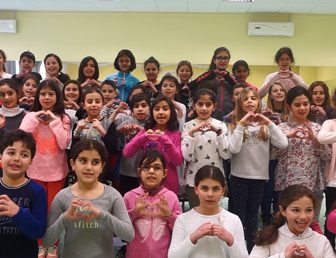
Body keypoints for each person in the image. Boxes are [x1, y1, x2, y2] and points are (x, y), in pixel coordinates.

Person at [42, 139, 134, 258]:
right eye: (83, 161)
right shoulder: (62, 196)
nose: (89, 167)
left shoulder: (113, 195)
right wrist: (64, 218)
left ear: (102, 167)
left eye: (95, 162)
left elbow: (129, 235)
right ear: (73, 164)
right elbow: (47, 241)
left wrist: (101, 215)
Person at [228, 87, 288, 252]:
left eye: (253, 98)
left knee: (253, 217)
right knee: (239, 216)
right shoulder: (234, 124)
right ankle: (238, 249)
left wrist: (269, 123)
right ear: (240, 103)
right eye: (245, 99)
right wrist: (241, 124)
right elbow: (232, 149)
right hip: (239, 177)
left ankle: (251, 250)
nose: (249, 101)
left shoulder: (265, 126)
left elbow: (283, 143)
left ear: (258, 103)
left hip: (259, 177)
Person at [273, 86, 331, 234]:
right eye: (297, 104)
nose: (302, 108)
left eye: (305, 103)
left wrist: (316, 140)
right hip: (288, 183)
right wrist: (288, 136)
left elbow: (327, 156)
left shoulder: (318, 128)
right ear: (289, 106)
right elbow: (272, 155)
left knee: (311, 223)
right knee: (286, 224)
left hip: (312, 184)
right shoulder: (281, 128)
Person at [168, 165, 248, 258]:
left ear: (223, 191)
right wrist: (193, 237)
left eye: (215, 189)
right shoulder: (182, 220)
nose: (210, 194)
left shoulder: (234, 220)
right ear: (196, 189)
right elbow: (172, 256)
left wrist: (230, 240)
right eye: (204, 188)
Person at [19, 79, 71, 210]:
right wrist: (35, 119)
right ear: (38, 96)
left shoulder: (63, 118)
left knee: (53, 208)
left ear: (57, 97)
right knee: (37, 207)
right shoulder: (30, 116)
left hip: (57, 172)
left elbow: (64, 144)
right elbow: (21, 139)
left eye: (51, 94)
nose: (46, 98)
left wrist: (54, 121)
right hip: (34, 170)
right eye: (43, 94)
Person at [249, 184, 335, 258]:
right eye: (296, 210)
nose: (303, 216)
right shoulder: (268, 237)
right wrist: (283, 256)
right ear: (283, 210)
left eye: (308, 210)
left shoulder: (322, 241)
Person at [123, 150, 182, 258]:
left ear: (165, 173)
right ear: (139, 172)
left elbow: (181, 230)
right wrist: (134, 212)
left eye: (157, 168)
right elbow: (120, 230)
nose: (151, 171)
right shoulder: (129, 196)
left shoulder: (171, 197)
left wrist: (168, 214)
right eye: (146, 167)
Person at [0, 129, 47, 258]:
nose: (16, 159)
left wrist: (18, 213)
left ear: (31, 161)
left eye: (24, 155)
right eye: (11, 152)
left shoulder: (38, 191)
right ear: (1, 155)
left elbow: (38, 232)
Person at [123, 94, 183, 195]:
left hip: (169, 187)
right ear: (152, 112)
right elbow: (127, 152)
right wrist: (143, 138)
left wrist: (164, 139)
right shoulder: (147, 131)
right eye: (157, 109)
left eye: (165, 109)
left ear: (171, 112)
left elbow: (178, 161)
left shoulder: (176, 134)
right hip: (147, 185)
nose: (161, 112)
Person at [182, 88, 230, 208]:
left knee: (213, 214)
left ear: (214, 107)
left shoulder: (221, 125)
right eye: (200, 104)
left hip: (216, 178)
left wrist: (218, 133)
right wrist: (192, 133)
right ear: (194, 106)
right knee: (196, 213)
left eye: (208, 105)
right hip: (193, 180)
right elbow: (187, 156)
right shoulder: (188, 126)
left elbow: (226, 154)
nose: (204, 108)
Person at [260, 82, 289, 226]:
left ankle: (280, 222)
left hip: (286, 159)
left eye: (281, 90)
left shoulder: (291, 112)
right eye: (275, 91)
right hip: (268, 158)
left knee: (281, 193)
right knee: (267, 191)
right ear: (270, 94)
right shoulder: (264, 112)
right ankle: (266, 221)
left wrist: (280, 124)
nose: (278, 93)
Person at [118, 93, 151, 195]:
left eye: (143, 105)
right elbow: (117, 143)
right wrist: (120, 132)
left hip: (147, 171)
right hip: (127, 170)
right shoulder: (127, 123)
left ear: (150, 108)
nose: (140, 109)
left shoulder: (152, 125)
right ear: (131, 111)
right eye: (136, 106)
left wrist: (141, 131)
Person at [190, 47, 236, 117]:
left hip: (229, 116)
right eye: (219, 58)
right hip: (209, 115)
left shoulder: (231, 78)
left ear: (228, 60)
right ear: (214, 60)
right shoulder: (208, 76)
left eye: (225, 58)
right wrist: (211, 74)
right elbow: (192, 86)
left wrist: (227, 77)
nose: (223, 61)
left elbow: (239, 88)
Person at [317, 108, 336, 249]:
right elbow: (321, 138)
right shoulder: (330, 123)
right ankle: (328, 251)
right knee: (331, 220)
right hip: (333, 181)